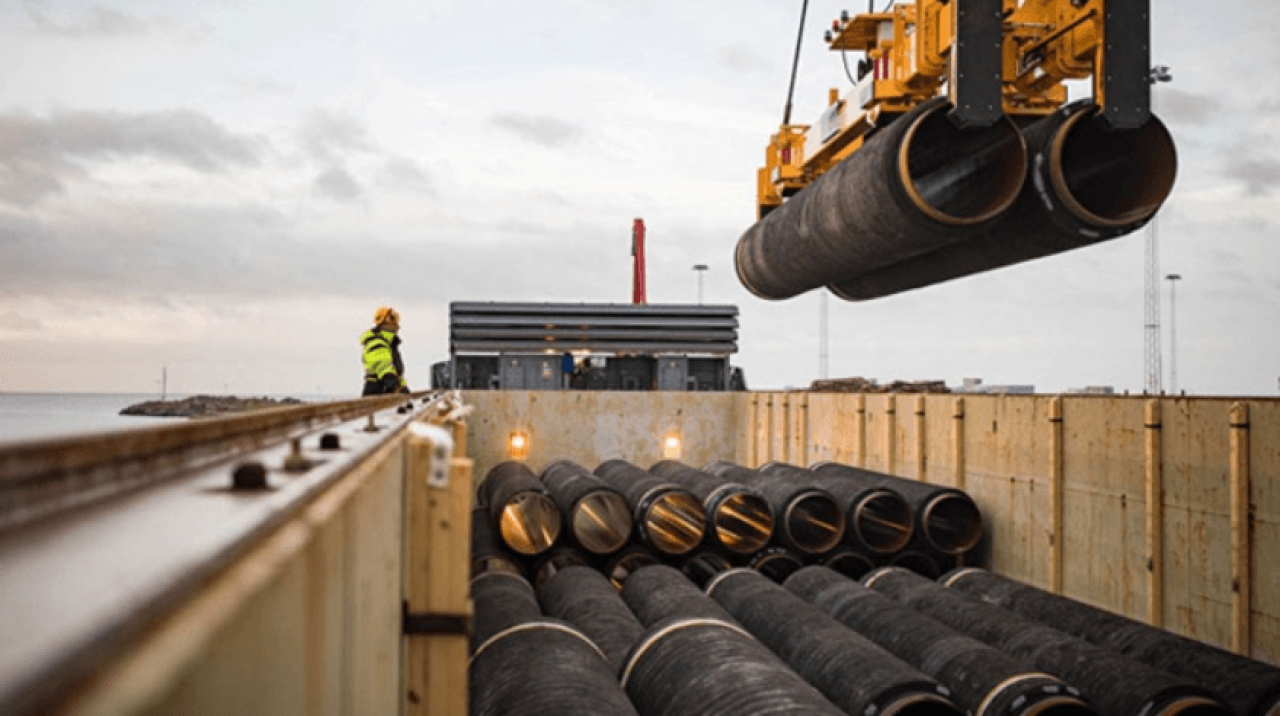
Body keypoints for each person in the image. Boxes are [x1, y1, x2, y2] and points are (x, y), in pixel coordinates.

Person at [361, 306, 409, 395]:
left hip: (386, 390)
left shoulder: (390, 344)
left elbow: (396, 371)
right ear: (384, 322)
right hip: (377, 390)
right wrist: (391, 380)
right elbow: (381, 363)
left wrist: (403, 386)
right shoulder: (376, 341)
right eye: (393, 320)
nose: (397, 325)